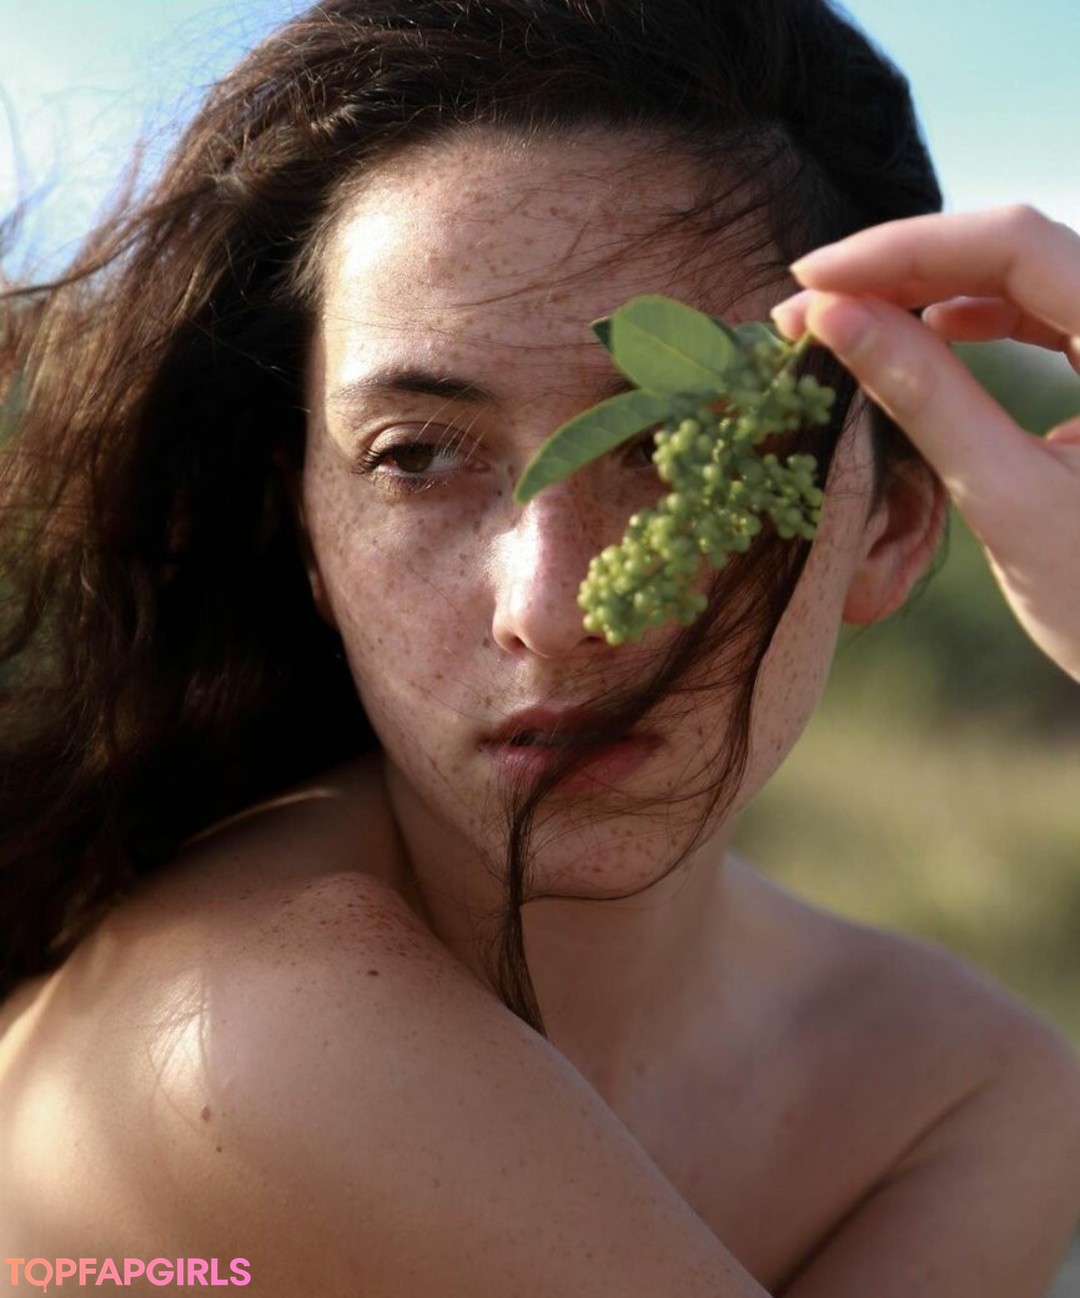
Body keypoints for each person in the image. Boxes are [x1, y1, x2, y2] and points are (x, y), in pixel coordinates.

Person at [0, 1, 1078, 1293]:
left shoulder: (966, 1090)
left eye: (671, 447)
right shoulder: (245, 1029)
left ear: (890, 528)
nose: (556, 609)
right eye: (416, 456)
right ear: (307, 533)